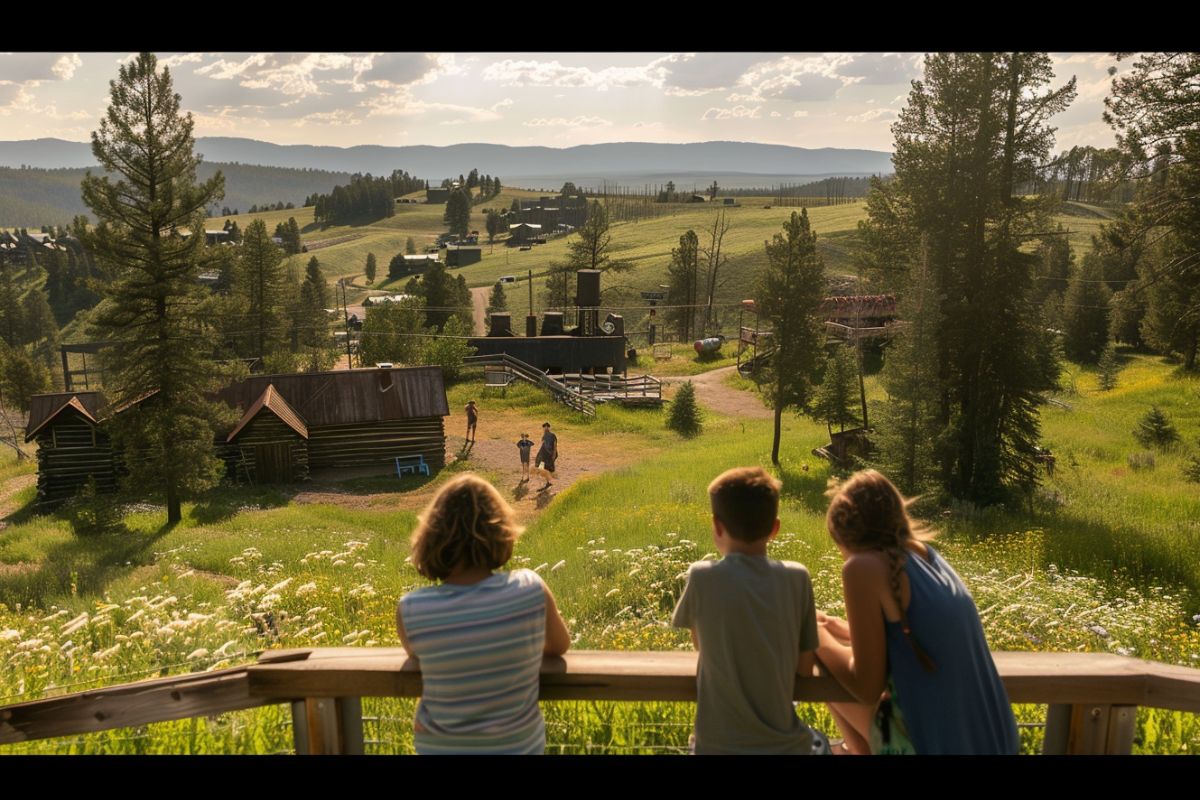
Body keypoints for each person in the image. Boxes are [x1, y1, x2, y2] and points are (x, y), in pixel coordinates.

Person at [815, 469, 1019, 755]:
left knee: (822, 662)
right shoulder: (925, 556)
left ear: (845, 539)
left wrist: (813, 631)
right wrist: (838, 627)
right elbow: (917, 642)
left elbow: (867, 687)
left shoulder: (863, 567)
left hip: (935, 744)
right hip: (992, 739)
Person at [396, 473, 572, 754]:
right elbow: (560, 645)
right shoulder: (529, 588)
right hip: (516, 748)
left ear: (430, 538)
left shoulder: (412, 608)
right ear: (501, 531)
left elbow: (421, 656)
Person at [671, 466, 831, 755]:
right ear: (775, 528)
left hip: (714, 747)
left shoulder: (702, 577)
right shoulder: (797, 578)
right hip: (785, 748)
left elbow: (700, 644)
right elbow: (805, 669)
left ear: (717, 526)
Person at [535, 421, 558, 491]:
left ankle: (549, 481)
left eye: (547, 427)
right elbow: (543, 446)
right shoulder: (544, 436)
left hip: (550, 454)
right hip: (544, 455)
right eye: (544, 427)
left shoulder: (552, 435)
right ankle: (548, 481)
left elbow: (555, 445)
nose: (546, 428)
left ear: (549, 427)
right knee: (543, 468)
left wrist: (554, 454)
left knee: (547, 468)